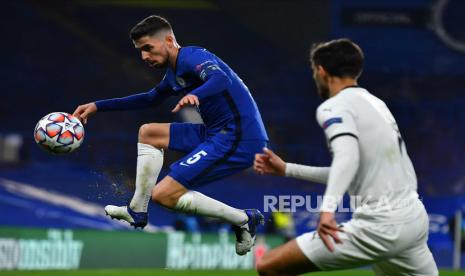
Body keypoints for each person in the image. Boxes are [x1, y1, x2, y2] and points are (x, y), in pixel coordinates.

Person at [73, 15, 267, 255]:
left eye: (148, 48)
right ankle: (137, 210)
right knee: (149, 132)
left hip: (239, 136)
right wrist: (98, 106)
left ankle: (243, 219)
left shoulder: (193, 57)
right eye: (140, 51)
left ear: (168, 40)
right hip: (216, 131)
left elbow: (220, 78)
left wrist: (198, 94)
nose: (144, 57)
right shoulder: (174, 74)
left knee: (164, 195)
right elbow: (149, 98)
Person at [254, 39, 438, 275]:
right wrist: (287, 169)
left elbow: (347, 159)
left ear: (321, 71)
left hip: (381, 226)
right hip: (413, 218)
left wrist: (327, 211)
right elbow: (353, 170)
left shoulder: (334, 107)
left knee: (268, 265)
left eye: (314, 71)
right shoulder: (376, 103)